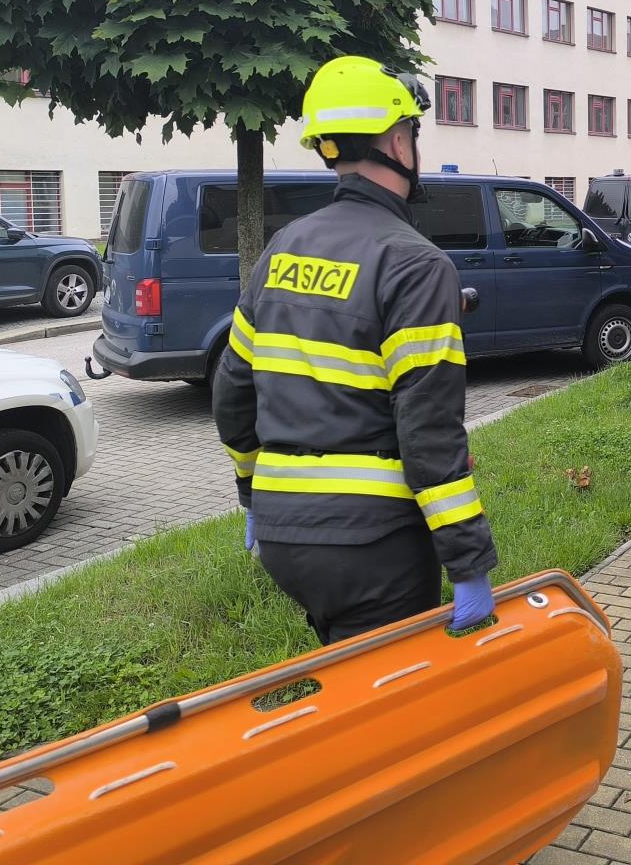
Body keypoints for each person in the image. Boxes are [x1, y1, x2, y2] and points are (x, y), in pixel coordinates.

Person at [213, 56, 499, 644]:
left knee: (343, 673)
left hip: (282, 533)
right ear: (398, 141)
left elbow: (232, 390)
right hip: (374, 541)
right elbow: (429, 431)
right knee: (393, 693)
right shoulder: (416, 264)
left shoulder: (282, 249)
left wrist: (252, 492)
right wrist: (469, 564)